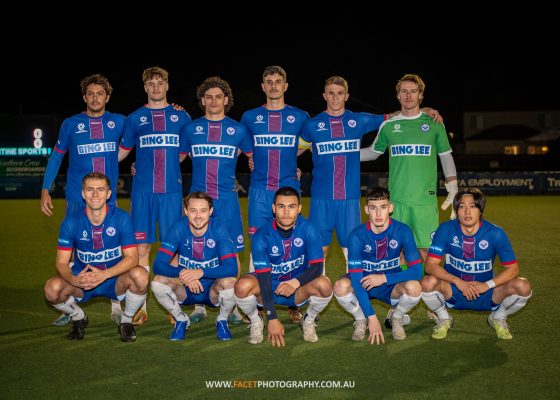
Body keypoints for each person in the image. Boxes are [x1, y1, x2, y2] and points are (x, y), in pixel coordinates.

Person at [299, 76, 441, 266]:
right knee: (318, 251)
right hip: (320, 198)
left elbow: (393, 116)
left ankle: (351, 294)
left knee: (352, 250)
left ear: (346, 96)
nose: (335, 98)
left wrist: (421, 110)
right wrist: (293, 166)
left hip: (349, 200)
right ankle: (316, 294)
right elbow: (295, 149)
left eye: (340, 93)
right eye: (331, 93)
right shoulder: (312, 125)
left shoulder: (358, 120)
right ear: (324, 95)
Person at [40, 74, 127, 326]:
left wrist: (175, 108)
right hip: (77, 199)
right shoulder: (71, 124)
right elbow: (56, 157)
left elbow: (143, 135)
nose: (95, 97)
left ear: (107, 97)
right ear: (84, 97)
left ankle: (115, 300)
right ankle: (71, 303)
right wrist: (46, 188)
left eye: (100, 93)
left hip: (107, 200)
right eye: (90, 93)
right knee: (73, 248)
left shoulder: (119, 122)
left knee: (114, 244)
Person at [119, 66, 192, 325]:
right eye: (150, 83)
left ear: (167, 85)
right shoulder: (134, 118)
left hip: (172, 193)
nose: (155, 87)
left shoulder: (181, 117)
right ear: (145, 87)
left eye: (160, 82)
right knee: (141, 249)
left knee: (173, 250)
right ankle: (140, 307)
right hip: (142, 193)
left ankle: (174, 307)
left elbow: (184, 154)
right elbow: (122, 152)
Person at [361, 73, 458, 262]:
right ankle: (407, 291)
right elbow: (373, 152)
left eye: (413, 91)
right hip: (397, 200)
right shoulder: (389, 126)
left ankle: (429, 290)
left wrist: (453, 187)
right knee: (399, 251)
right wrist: (342, 154)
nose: (408, 96)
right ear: (397, 95)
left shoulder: (434, 123)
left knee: (427, 251)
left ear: (420, 95)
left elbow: (445, 156)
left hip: (425, 200)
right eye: (404, 91)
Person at [240, 65, 310, 324]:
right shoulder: (250, 116)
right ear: (262, 86)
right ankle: (256, 304)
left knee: (295, 247)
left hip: (289, 189)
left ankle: (295, 303)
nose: (273, 85)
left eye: (277, 81)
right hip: (259, 191)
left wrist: (294, 161)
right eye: (268, 81)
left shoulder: (300, 116)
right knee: (257, 245)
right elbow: (237, 145)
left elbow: (311, 143)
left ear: (285, 86)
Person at [43, 172, 148, 342]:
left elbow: (132, 258)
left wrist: (105, 274)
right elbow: (61, 262)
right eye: (90, 189)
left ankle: (126, 320)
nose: (95, 194)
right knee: (51, 289)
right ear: (83, 193)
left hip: (113, 278)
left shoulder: (121, 218)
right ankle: (78, 317)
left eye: (100, 190)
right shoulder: (71, 222)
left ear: (108, 194)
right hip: (83, 280)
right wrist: (74, 279)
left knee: (141, 276)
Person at [181, 76, 251, 324]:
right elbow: (175, 160)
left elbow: (255, 159)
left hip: (227, 202)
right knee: (195, 253)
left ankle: (232, 307)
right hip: (198, 203)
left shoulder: (239, 130)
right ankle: (199, 305)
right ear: (202, 100)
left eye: (218, 96)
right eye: (208, 96)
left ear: (226, 100)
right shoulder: (190, 129)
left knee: (232, 253)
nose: (213, 100)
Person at [421, 188, 532, 340]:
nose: (467, 211)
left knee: (523, 286)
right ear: (456, 210)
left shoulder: (495, 233)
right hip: (453, 290)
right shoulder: (446, 229)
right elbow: (430, 265)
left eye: (472, 206)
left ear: (480, 210)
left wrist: (487, 285)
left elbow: (513, 269)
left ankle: (497, 317)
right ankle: (444, 318)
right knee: (427, 282)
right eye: (462, 206)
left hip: (486, 292)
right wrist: (457, 281)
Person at [234, 187, 333, 346]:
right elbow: (264, 278)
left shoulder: (309, 229)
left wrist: (295, 282)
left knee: (325, 285)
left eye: (291, 206)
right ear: (274, 208)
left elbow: (316, 267)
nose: (286, 212)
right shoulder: (261, 235)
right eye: (281, 206)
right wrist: (272, 317)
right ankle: (256, 320)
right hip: (269, 286)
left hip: (297, 287)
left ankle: (308, 320)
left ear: (299, 208)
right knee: (242, 286)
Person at [334, 187, 422, 344]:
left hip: (390, 284)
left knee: (414, 287)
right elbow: (356, 279)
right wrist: (371, 317)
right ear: (366, 209)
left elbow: (417, 271)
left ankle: (396, 317)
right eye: (373, 208)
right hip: (363, 282)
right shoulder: (357, 235)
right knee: (340, 286)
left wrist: (384, 278)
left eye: (383, 207)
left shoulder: (402, 231)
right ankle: (361, 320)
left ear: (390, 208)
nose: (378, 214)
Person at [150, 192, 238, 340]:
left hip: (212, 290)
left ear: (210, 211)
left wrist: (200, 272)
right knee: (158, 281)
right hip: (186, 289)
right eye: (193, 210)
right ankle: (181, 319)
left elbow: (232, 268)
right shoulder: (178, 227)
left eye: (203, 210)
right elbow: (158, 265)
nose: (198, 216)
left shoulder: (219, 228)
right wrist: (185, 273)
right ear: (186, 211)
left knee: (231, 282)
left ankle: (222, 320)